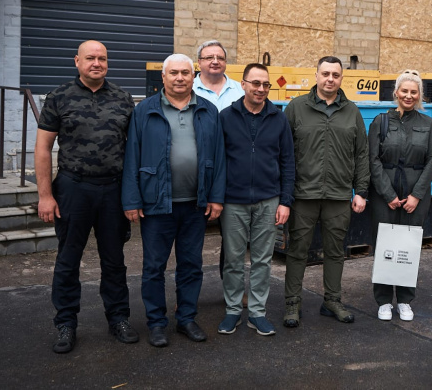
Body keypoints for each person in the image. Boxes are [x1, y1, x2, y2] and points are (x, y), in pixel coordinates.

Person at [35, 40, 138, 354]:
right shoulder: (59, 96)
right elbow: (43, 148)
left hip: (113, 191)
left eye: (102, 58)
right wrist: (45, 196)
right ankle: (66, 323)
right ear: (77, 61)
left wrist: (133, 195)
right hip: (73, 188)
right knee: (68, 260)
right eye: (90, 58)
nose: (97, 63)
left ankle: (118, 318)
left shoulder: (123, 98)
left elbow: (134, 149)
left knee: (114, 260)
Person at [122, 54, 226, 347]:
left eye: (185, 73)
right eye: (174, 73)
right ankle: (156, 323)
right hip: (156, 204)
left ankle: (186, 319)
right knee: (154, 267)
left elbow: (219, 157)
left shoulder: (208, 110)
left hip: (196, 203)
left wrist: (216, 197)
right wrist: (131, 200)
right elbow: (132, 156)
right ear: (163, 77)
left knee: (191, 265)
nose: (180, 78)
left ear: (194, 76)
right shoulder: (145, 110)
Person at [282, 56, 370, 327]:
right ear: (316, 76)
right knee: (297, 251)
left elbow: (361, 154)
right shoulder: (296, 108)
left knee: (335, 252)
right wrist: (284, 194)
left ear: (341, 78)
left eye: (335, 75)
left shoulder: (352, 111)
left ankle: (332, 300)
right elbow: (283, 152)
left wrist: (361, 191)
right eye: (325, 74)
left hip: (338, 195)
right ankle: (292, 303)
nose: (330, 79)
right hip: (303, 195)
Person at [219, 63, 295, 336]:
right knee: (233, 260)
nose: (261, 89)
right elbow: (218, 161)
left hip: (268, 200)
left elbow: (288, 162)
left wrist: (285, 201)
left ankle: (257, 313)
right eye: (255, 83)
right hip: (233, 201)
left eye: (265, 84)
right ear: (243, 84)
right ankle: (232, 310)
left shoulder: (278, 118)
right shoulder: (226, 117)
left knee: (263, 260)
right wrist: (217, 198)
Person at [368, 70, 432, 322]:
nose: (409, 96)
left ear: (419, 95)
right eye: (404, 91)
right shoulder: (380, 121)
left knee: (409, 246)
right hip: (383, 193)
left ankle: (406, 300)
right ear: (396, 93)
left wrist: (416, 195)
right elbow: (373, 159)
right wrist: (387, 194)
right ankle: (384, 301)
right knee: (385, 245)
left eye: (414, 92)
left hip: (415, 194)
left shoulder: (427, 124)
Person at [193, 40, 243, 111]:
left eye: (220, 58)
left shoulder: (241, 90)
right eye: (209, 58)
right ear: (199, 62)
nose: (215, 62)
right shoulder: (189, 89)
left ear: (225, 62)